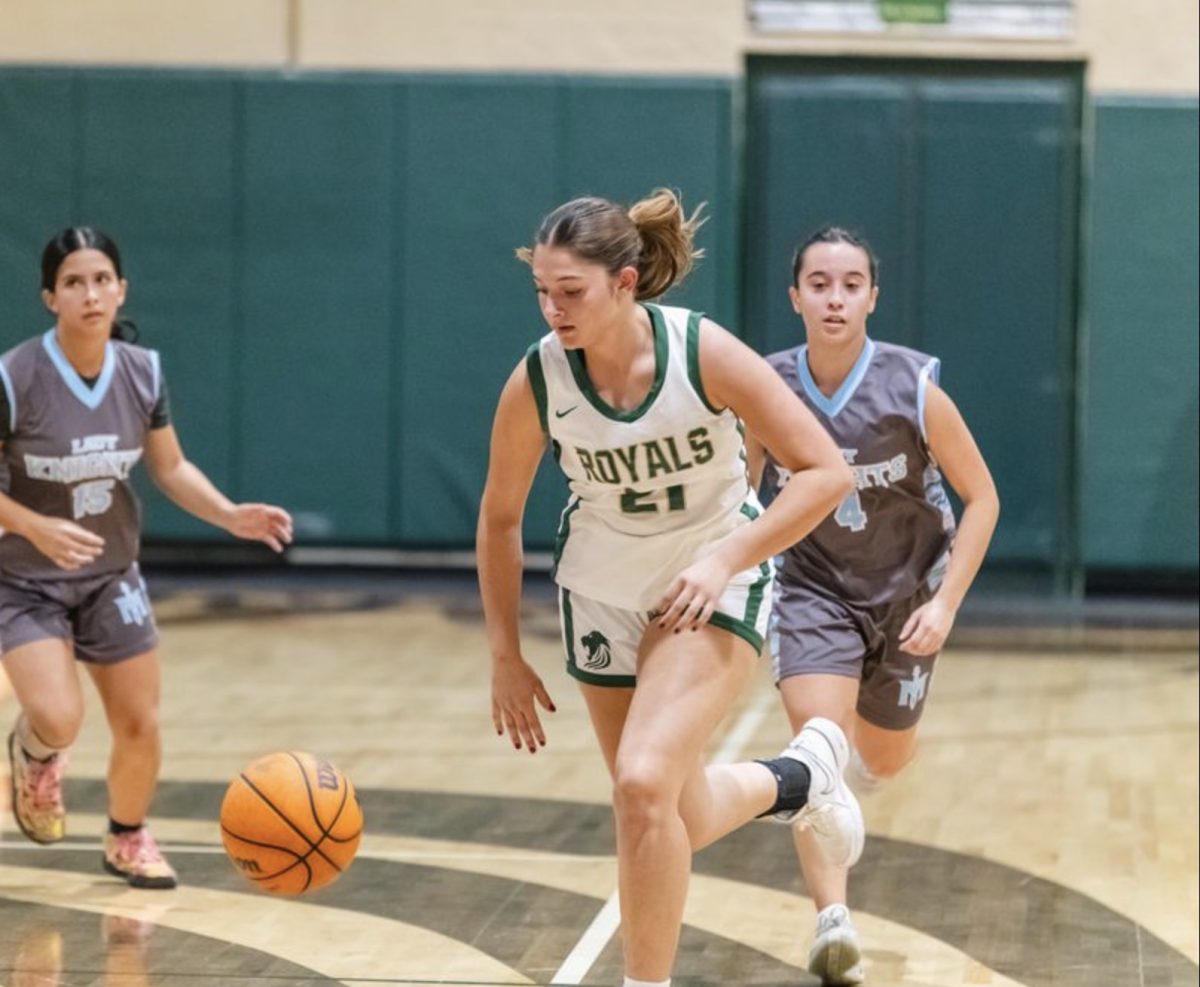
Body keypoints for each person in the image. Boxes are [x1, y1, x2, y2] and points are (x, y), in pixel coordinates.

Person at [477, 189, 865, 987]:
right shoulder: (539, 379)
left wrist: (726, 559)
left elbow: (825, 472)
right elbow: (500, 518)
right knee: (666, 809)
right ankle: (801, 776)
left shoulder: (701, 351)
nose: (553, 309)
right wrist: (504, 653)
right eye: (542, 291)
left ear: (625, 282)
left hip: (710, 578)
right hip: (602, 593)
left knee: (642, 783)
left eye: (570, 291)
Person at [0, 227, 293, 888]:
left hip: (110, 575)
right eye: (73, 282)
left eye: (101, 279)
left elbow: (170, 466)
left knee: (140, 722)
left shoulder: (142, 371)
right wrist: (35, 527)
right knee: (59, 717)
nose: (90, 294)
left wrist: (228, 514)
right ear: (50, 297)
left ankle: (127, 836)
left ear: (121, 289)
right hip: (25, 579)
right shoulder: (14, 378)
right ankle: (36, 754)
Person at [747, 226, 1000, 985]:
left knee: (882, 760)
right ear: (795, 297)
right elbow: (739, 496)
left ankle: (861, 748)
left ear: (872, 298)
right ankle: (833, 921)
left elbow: (983, 498)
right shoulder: (765, 389)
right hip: (813, 588)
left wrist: (946, 603)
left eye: (850, 285)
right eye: (819, 284)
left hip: (907, 592)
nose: (835, 298)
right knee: (816, 751)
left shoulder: (913, 387)